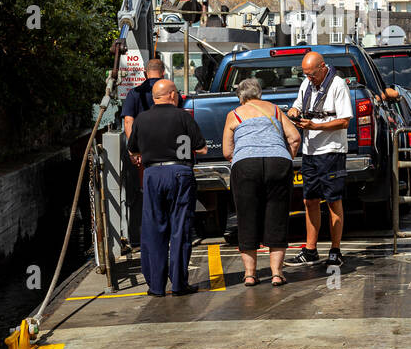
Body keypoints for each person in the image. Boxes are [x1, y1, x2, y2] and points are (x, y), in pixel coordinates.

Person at [127, 78, 207, 298]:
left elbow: (133, 151)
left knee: (154, 229)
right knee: (180, 228)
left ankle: (156, 286)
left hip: (152, 175)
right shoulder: (183, 116)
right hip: (179, 173)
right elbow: (202, 149)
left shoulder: (141, 119)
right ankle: (179, 284)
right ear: (172, 95)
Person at [222, 78, 302, 287]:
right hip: (278, 163)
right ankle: (277, 273)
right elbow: (294, 138)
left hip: (246, 166)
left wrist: (242, 157)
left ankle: (250, 274)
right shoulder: (275, 110)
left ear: (240, 96)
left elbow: (227, 151)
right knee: (277, 217)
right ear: (259, 93)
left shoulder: (234, 114)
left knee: (247, 217)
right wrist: (285, 157)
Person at [285, 50, 353, 268]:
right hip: (310, 150)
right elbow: (297, 104)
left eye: (312, 74)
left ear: (323, 68)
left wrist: (316, 126)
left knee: (334, 200)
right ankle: (310, 249)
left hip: (332, 150)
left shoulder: (338, 85)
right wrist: (294, 112)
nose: (309, 78)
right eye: (305, 74)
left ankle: (335, 250)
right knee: (309, 200)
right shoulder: (307, 85)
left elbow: (344, 121)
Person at [121, 57, 165, 141]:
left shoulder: (134, 93)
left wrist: (132, 147)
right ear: (163, 73)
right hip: (167, 143)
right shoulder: (172, 93)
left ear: (145, 74)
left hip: (142, 142)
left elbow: (128, 121)